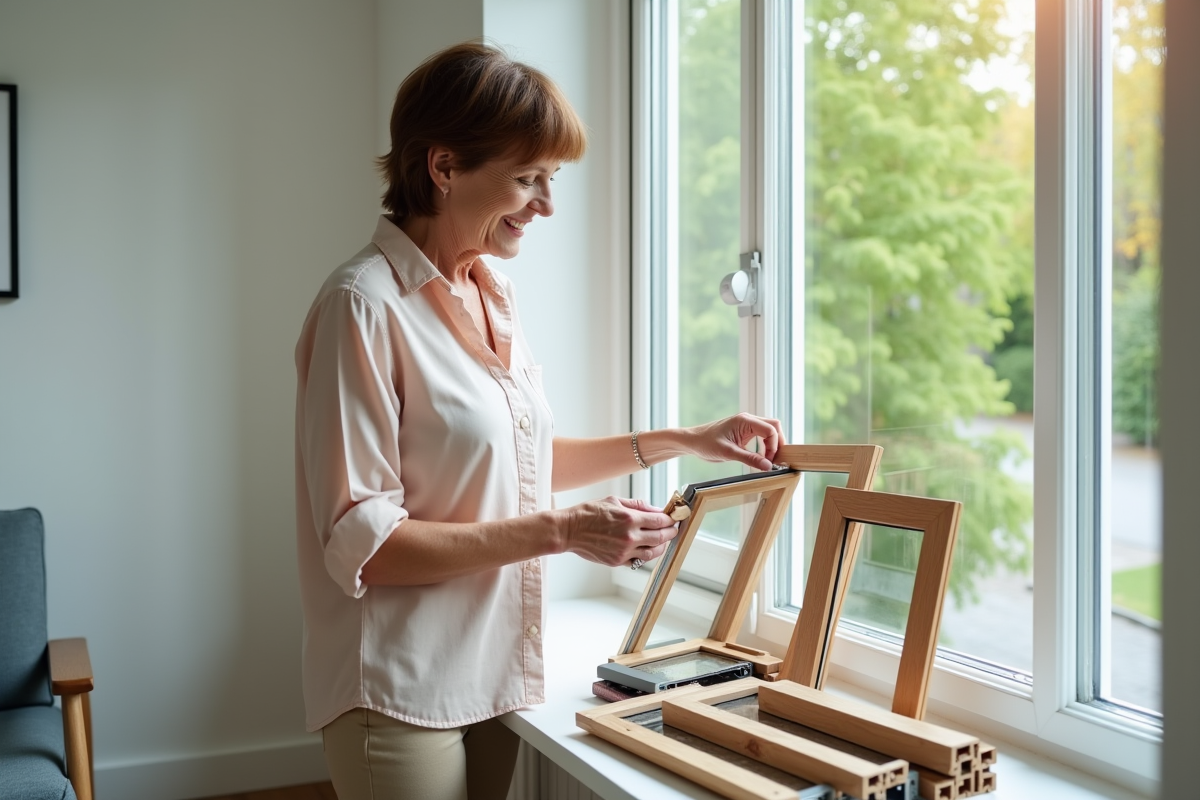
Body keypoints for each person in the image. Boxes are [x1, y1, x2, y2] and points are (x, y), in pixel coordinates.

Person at [293, 40, 784, 800]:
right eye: (527, 178)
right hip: (399, 687)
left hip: (496, 670)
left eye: (552, 179)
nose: (547, 205)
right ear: (444, 166)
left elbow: (517, 458)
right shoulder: (361, 305)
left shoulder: (492, 292)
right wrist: (564, 531)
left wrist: (684, 440)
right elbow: (367, 543)